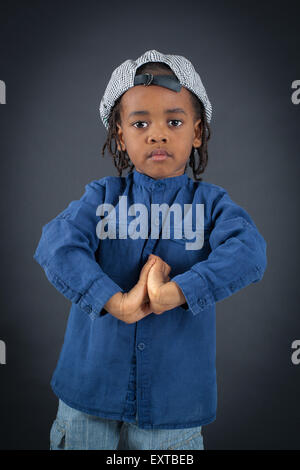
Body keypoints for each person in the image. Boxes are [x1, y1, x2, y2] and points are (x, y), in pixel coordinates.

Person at [33, 49, 267, 450]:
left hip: (174, 404)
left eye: (173, 121)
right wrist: (116, 301)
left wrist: (175, 292)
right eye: (140, 123)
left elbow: (249, 250)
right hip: (88, 391)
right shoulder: (101, 198)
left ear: (196, 131)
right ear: (120, 137)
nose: (157, 134)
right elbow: (58, 244)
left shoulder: (212, 205)